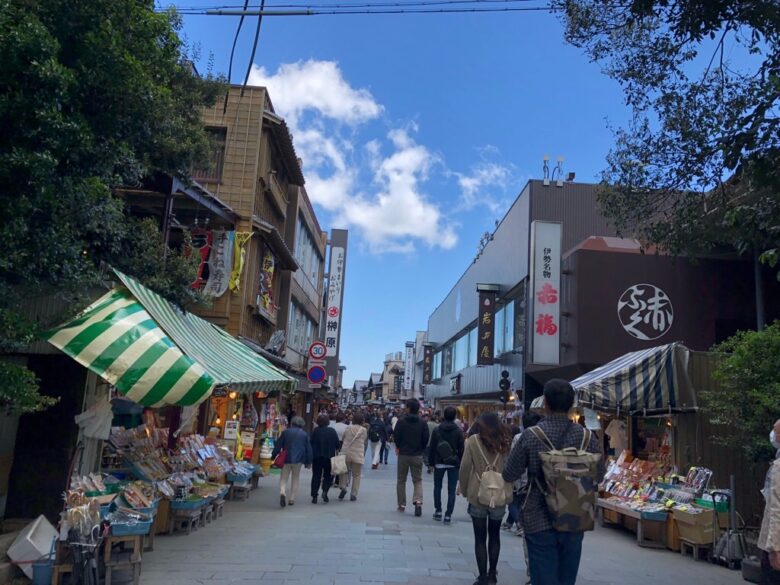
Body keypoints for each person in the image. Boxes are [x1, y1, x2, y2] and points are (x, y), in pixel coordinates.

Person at [503, 379, 605, 585]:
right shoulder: (587, 437)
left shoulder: (531, 435)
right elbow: (600, 475)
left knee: (543, 577)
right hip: (575, 516)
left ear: (545, 403)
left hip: (538, 515)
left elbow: (509, 473)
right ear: (572, 404)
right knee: (566, 579)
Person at [458, 412, 513, 585]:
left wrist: (465, 489)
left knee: (479, 537)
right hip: (500, 493)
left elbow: (465, 467)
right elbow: (511, 467)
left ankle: (482, 576)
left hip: (478, 493)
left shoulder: (473, 441)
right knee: (495, 535)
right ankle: (492, 574)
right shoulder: (506, 442)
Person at [427, 405, 465, 524]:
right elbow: (461, 449)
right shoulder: (458, 431)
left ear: (444, 416)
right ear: (454, 417)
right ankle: (448, 514)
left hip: (439, 462)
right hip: (453, 463)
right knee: (451, 489)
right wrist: (459, 462)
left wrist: (431, 463)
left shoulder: (437, 430)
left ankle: (438, 511)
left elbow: (432, 447)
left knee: (437, 487)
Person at [394, 398, 430, 516]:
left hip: (403, 454)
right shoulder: (422, 422)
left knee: (401, 480)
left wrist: (398, 446)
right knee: (417, 480)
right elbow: (425, 438)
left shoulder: (401, 421)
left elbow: (396, 436)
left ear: (408, 408)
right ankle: (418, 501)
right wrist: (421, 449)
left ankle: (401, 504)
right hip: (417, 454)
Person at [271, 416, 312, 508]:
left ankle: (282, 492)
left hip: (286, 458)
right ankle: (292, 498)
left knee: (284, 477)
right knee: (295, 478)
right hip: (298, 460)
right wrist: (309, 462)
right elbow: (308, 449)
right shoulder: (304, 435)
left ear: (292, 423)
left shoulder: (285, 432)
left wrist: (273, 456)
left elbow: (278, 445)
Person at [759, 418, 780, 584]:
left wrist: (773, 546)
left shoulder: (779, 466)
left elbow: (776, 506)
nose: (772, 434)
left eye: (776, 431)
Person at [338, 411, 369, 501]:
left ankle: (343, 487)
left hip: (346, 453)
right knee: (356, 475)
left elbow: (343, 438)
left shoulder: (348, 428)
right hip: (358, 454)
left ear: (353, 420)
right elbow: (365, 440)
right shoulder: (364, 430)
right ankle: (353, 494)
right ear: (362, 421)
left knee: (343, 471)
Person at [310, 414, 340, 504]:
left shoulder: (316, 431)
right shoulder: (332, 431)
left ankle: (314, 495)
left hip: (317, 457)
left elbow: (311, 443)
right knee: (328, 475)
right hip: (329, 457)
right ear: (328, 422)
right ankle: (325, 491)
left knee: (316, 475)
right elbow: (337, 445)